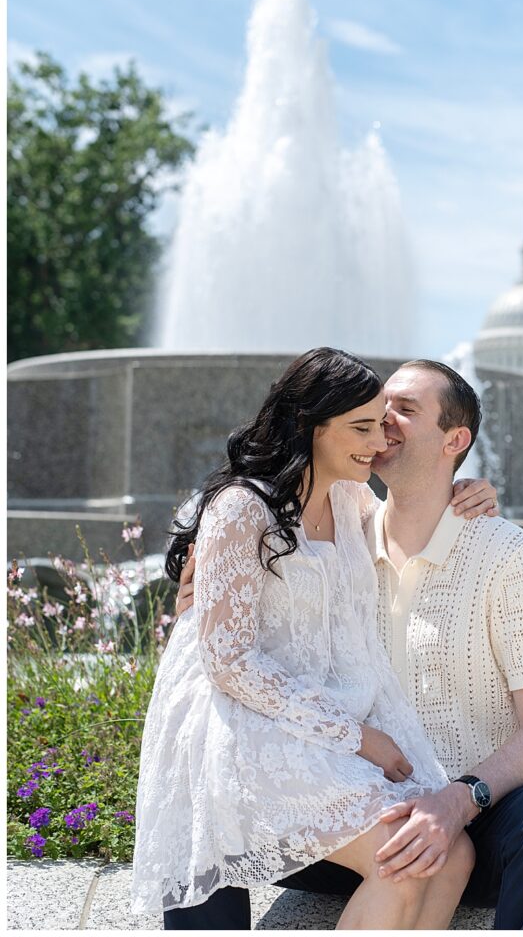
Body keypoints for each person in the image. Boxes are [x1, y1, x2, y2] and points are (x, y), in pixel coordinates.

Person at [178, 358, 523, 929]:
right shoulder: (338, 526)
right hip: (342, 804)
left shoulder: (506, 556)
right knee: (205, 792)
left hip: (468, 812)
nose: (382, 421)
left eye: (404, 409)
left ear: (456, 440)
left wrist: (457, 799)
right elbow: (228, 638)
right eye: (373, 412)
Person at [130, 348, 499, 930]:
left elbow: (416, 517)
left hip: (325, 714)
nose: (378, 441)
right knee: (399, 856)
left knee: (452, 853)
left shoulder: (351, 500)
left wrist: (467, 491)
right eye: (360, 427)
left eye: (380, 423)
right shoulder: (241, 508)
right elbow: (229, 663)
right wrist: (357, 738)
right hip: (246, 720)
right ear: (309, 425)